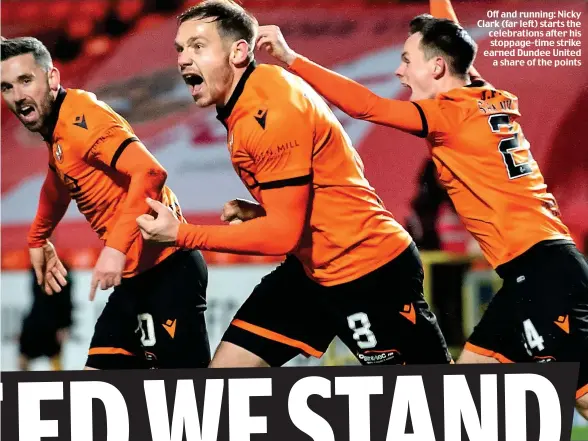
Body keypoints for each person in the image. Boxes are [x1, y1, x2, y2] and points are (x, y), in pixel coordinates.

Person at [254, 0, 588, 416]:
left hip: (542, 276)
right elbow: (452, 39)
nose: (399, 71)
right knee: (456, 406)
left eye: (406, 60)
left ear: (435, 68)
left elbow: (367, 107)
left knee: (583, 396)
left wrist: (290, 59)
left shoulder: (447, 114)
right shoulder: (486, 95)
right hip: (536, 272)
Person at [137, 0, 452, 368]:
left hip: (368, 271)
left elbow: (282, 235)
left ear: (239, 52)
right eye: (180, 49)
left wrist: (181, 234)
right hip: (310, 272)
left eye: (198, 46)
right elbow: (335, 181)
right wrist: (261, 210)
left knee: (434, 404)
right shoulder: (248, 102)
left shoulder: (269, 108)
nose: (183, 59)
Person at [1, 37, 210, 370]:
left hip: (169, 270)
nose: (18, 96)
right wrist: (38, 238)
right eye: (7, 87)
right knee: (95, 394)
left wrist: (114, 249)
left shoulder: (81, 120)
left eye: (26, 81)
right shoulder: (58, 134)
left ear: (53, 79)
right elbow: (57, 185)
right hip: (134, 279)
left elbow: (151, 172)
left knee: (190, 402)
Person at [19, 264, 74, 371]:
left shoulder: (64, 269)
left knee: (55, 359)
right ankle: (24, 385)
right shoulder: (35, 268)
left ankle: (59, 384)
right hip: (35, 321)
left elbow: (66, 300)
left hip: (54, 323)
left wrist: (65, 324)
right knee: (23, 360)